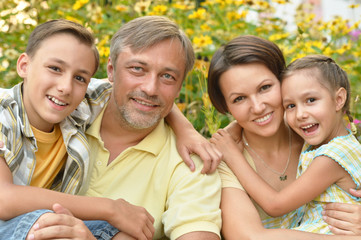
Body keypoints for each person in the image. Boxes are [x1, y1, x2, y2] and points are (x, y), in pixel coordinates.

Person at [0, 18, 220, 240]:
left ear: (180, 86)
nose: (150, 88)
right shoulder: (75, 106)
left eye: (167, 77)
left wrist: (185, 128)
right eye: (137, 69)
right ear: (112, 71)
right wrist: (111, 208)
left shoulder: (191, 162)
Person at [207, 35, 361, 239]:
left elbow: (275, 204)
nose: (258, 107)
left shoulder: (315, 133)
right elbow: (249, 237)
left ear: (283, 81)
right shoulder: (222, 158)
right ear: (226, 107)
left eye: (265, 88)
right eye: (239, 98)